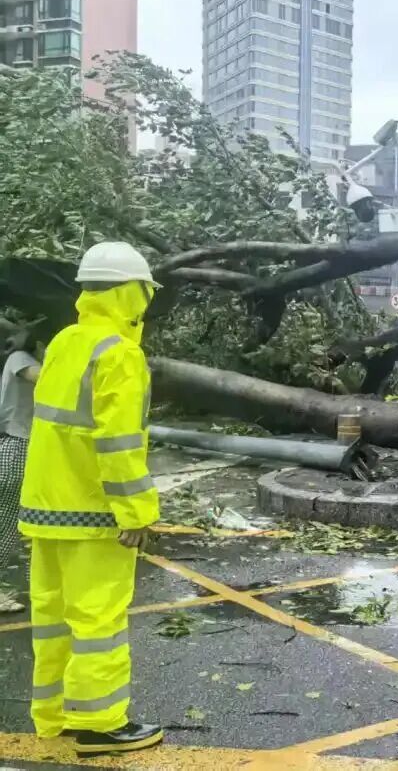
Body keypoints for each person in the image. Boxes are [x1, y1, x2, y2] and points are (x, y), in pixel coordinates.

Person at [18, 242, 163, 757]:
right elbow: (118, 444)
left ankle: (54, 715)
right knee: (98, 620)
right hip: (93, 512)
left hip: (45, 508)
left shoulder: (65, 342)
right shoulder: (119, 354)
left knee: (53, 619)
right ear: (133, 293)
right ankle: (100, 725)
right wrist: (137, 512)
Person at [0, 331, 44, 614]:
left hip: (24, 446)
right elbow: (44, 378)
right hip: (16, 446)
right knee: (5, 525)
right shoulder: (20, 359)